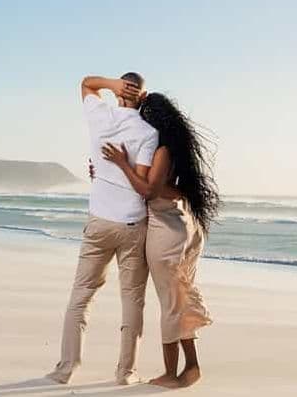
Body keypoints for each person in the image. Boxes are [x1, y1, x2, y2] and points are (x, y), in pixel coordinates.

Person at [46, 73, 159, 386]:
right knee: (132, 300)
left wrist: (111, 85)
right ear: (144, 96)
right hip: (133, 223)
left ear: (120, 91)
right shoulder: (149, 133)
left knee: (81, 296)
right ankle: (126, 372)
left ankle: (65, 369)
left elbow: (85, 83)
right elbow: (142, 182)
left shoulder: (100, 115)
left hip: (99, 221)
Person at [100, 92, 219, 388]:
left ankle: (173, 373)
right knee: (178, 297)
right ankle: (191, 366)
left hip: (167, 230)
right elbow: (164, 188)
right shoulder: (174, 147)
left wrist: (121, 164)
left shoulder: (163, 150)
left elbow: (149, 190)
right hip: (181, 224)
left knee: (170, 302)